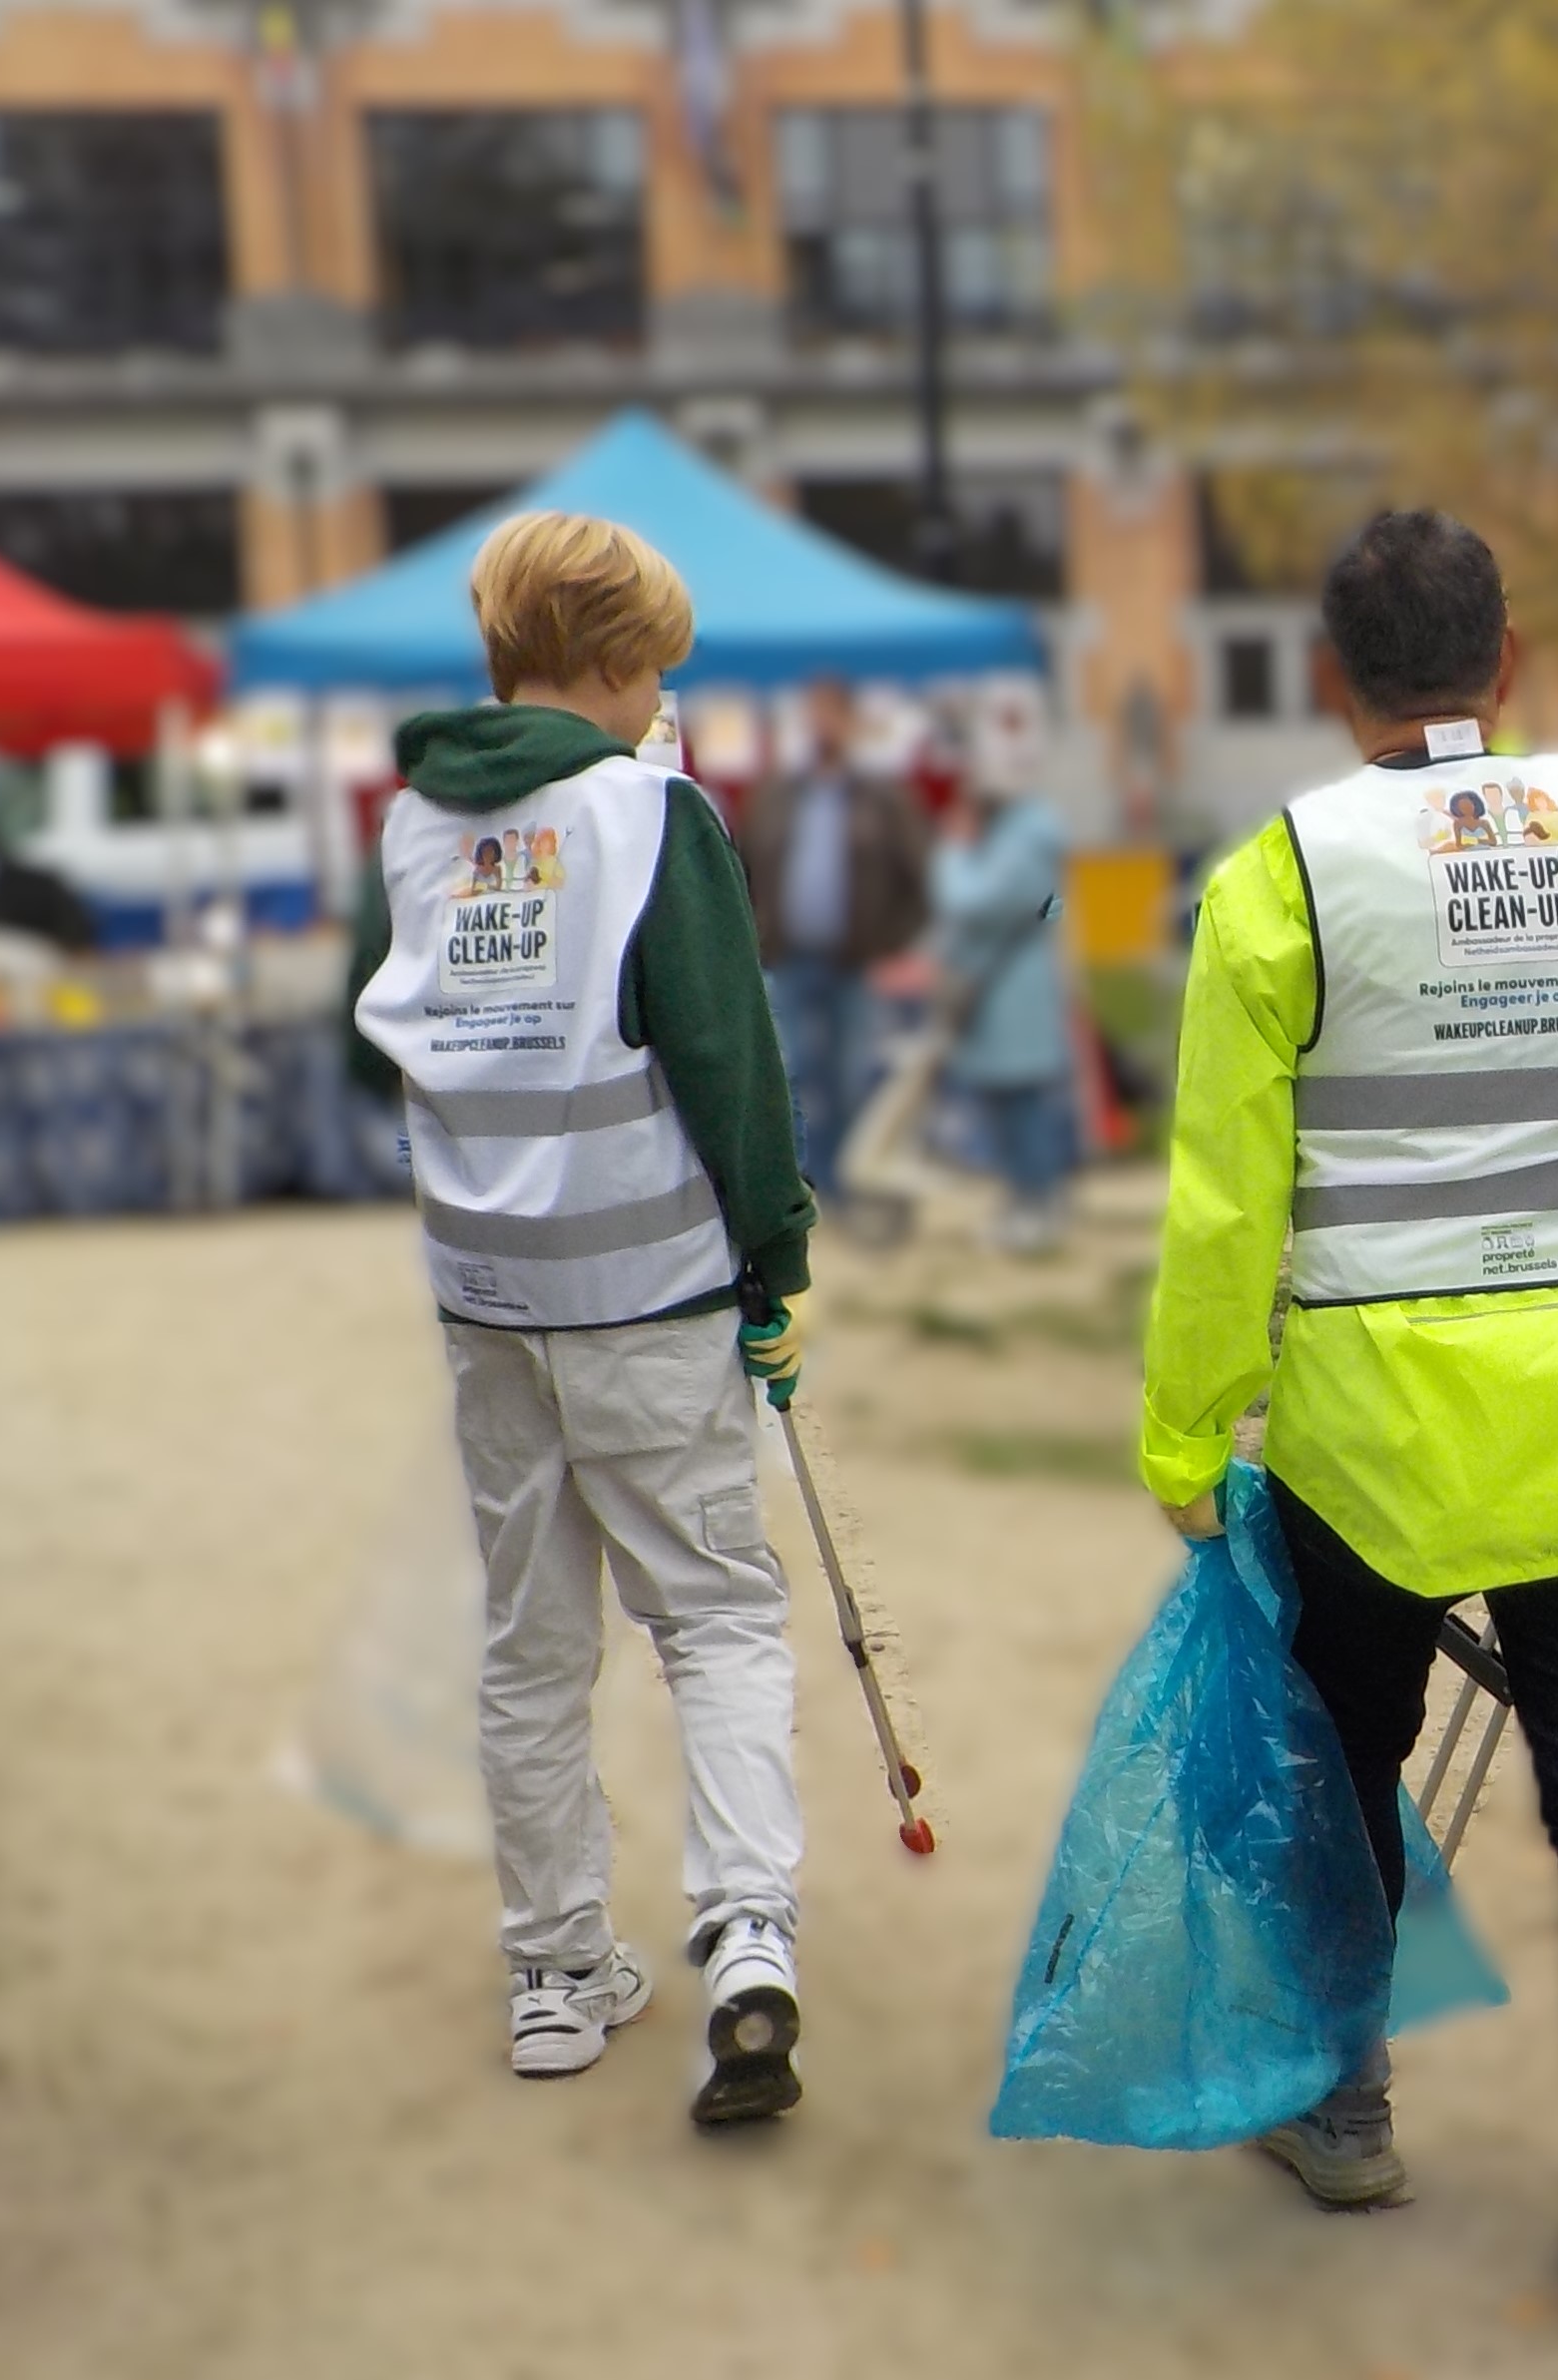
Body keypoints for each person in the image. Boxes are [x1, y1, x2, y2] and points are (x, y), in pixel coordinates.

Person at [1141, 509, 1558, 2354]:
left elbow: (1223, 1212)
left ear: (1333, 678)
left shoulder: (1278, 878)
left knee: (1351, 1759)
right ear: (1509, 661)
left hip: (1370, 1447)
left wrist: (1189, 1440)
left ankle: (1347, 2117)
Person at [344, 512, 818, 2129]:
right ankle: (747, 1936)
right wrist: (779, 1254)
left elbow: (368, 1046)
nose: (662, 702)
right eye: (658, 674)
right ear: (616, 668)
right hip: (656, 1296)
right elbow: (727, 1056)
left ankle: (556, 1972)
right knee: (720, 1618)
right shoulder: (649, 817)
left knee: (531, 1640)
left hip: (490, 1303)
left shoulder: (409, 828)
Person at [744, 678, 930, 1184]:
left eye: (832, 714)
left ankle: (849, 1175)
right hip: (790, 957)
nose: (822, 725)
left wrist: (892, 942)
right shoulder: (778, 795)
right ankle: (808, 1173)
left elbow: (918, 876)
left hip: (855, 960)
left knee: (850, 1071)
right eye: (814, 714)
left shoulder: (881, 798)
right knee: (797, 1071)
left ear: (851, 723)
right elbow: (746, 866)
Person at [930, 768, 1076, 1253]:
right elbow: (1052, 907)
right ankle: (1028, 1202)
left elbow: (969, 901)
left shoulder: (1021, 844)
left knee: (1019, 1108)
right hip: (1009, 993)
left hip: (1007, 998)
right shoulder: (1030, 841)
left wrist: (951, 850)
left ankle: (1035, 1207)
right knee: (1013, 1107)